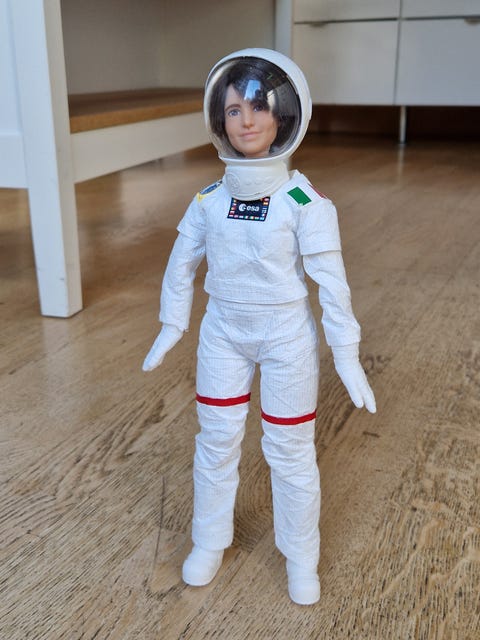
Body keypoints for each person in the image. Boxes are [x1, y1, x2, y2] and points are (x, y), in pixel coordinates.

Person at [143, 48, 376, 606]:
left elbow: (331, 282)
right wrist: (172, 321)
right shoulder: (209, 200)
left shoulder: (303, 202)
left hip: (285, 336)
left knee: (290, 448)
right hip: (222, 332)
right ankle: (209, 540)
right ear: (218, 120)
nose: (246, 121)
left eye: (258, 107)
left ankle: (301, 555)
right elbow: (182, 262)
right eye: (233, 110)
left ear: (284, 115)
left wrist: (346, 351)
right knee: (216, 439)